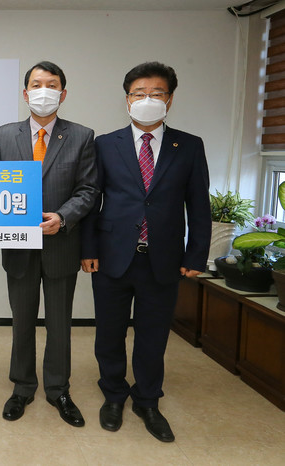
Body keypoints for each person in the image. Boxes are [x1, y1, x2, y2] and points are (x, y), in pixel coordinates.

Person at [80, 62, 210, 442]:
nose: (147, 99)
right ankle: (113, 394)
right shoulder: (105, 144)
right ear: (127, 100)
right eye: (139, 93)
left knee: (153, 337)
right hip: (112, 256)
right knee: (109, 334)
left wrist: (195, 255)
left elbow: (198, 206)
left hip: (164, 258)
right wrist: (88, 248)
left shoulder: (189, 145)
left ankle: (148, 400)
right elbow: (91, 200)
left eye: (156, 93)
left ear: (170, 99)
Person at [0, 61, 97, 427]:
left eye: (52, 85)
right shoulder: (3, 135)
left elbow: (88, 190)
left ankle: (58, 389)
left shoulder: (82, 136)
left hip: (61, 245)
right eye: (37, 84)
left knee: (59, 324)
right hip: (18, 247)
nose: (44, 91)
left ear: (63, 94)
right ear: (25, 93)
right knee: (21, 321)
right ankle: (22, 387)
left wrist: (62, 218)